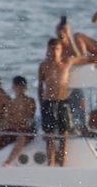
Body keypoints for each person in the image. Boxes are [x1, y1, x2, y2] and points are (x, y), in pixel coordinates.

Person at [37, 38, 92, 166]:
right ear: (47, 50)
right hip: (48, 102)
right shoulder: (44, 66)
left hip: (63, 101)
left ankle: (63, 161)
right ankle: (51, 162)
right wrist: (41, 103)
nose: (54, 52)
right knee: (49, 134)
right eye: (52, 49)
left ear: (61, 50)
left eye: (57, 49)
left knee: (64, 133)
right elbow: (40, 86)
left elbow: (82, 57)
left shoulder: (67, 62)